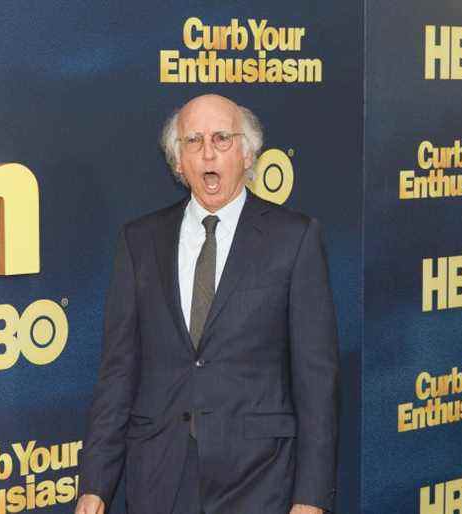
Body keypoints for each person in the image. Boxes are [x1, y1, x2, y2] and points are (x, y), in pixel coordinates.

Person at [75, 94, 339, 514]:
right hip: (159, 477)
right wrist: (95, 485)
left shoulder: (295, 239)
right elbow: (118, 373)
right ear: (178, 162)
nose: (208, 152)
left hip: (259, 479)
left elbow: (316, 381)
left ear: (248, 153)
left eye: (221, 138)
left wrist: (311, 497)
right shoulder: (139, 241)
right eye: (193, 141)